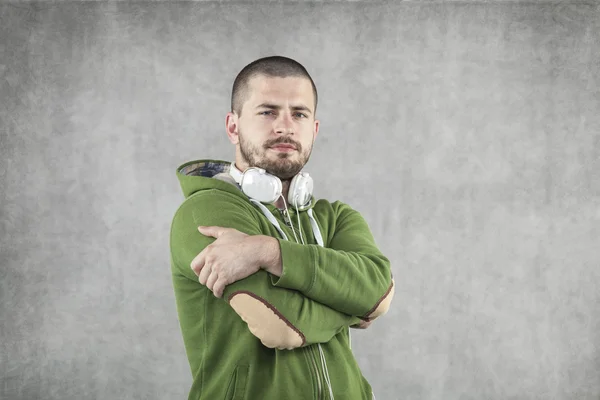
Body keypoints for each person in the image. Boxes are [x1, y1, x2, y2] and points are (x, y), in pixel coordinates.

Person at [170, 55, 395, 400]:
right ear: (233, 127)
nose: (285, 126)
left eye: (299, 114)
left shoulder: (336, 218)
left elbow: (377, 290)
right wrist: (352, 305)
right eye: (267, 111)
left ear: (314, 129)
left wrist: (268, 251)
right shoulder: (206, 210)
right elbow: (280, 326)